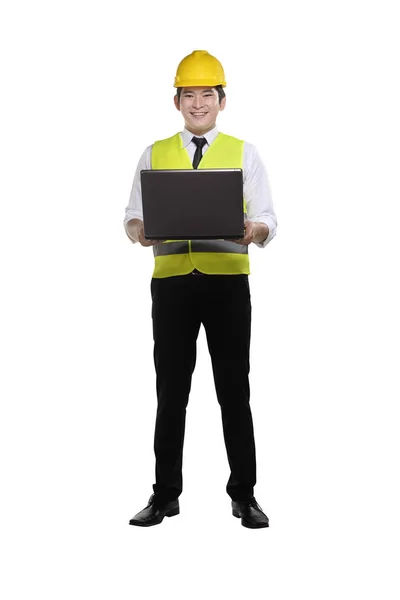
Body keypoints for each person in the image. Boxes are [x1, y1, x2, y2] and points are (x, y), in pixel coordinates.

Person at [124, 50, 277, 528]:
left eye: (206, 94)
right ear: (176, 101)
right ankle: (165, 495)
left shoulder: (244, 152)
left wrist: (252, 232)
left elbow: (270, 219)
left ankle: (245, 496)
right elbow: (130, 215)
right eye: (188, 95)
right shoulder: (154, 152)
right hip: (171, 289)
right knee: (172, 393)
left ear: (222, 101)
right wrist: (138, 231)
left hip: (227, 288)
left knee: (234, 391)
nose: (197, 103)